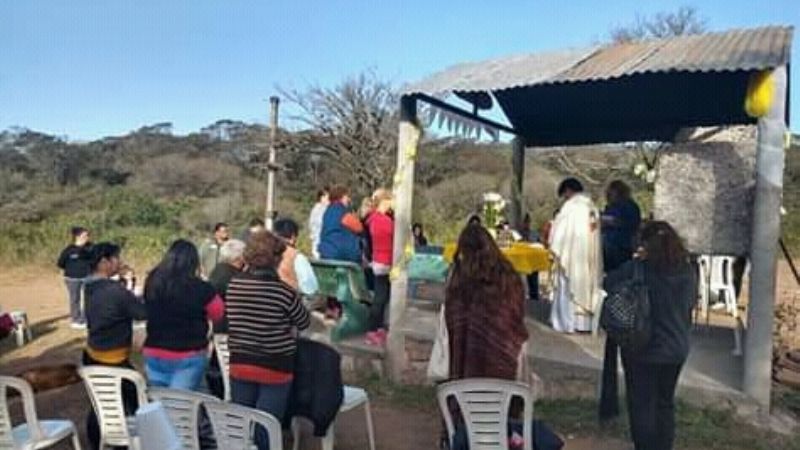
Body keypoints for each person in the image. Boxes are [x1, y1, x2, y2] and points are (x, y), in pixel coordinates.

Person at [604, 221, 696, 450]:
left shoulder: (638, 269)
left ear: (644, 244)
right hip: (676, 348)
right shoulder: (688, 270)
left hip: (641, 347)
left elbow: (608, 282)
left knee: (642, 404)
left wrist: (636, 260)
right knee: (665, 403)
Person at [225, 231, 311, 449]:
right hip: (274, 366)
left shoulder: (234, 285)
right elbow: (303, 322)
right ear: (275, 259)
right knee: (266, 428)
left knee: (242, 426)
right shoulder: (283, 292)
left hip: (240, 362)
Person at [82, 242, 147, 450]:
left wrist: (126, 286)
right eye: (116, 258)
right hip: (114, 360)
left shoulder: (89, 286)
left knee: (102, 402)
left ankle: (98, 441)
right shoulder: (114, 291)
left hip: (93, 354)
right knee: (140, 400)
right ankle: (136, 442)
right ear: (104, 262)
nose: (119, 261)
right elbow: (141, 312)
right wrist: (129, 286)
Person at [143, 240, 225, 391]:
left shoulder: (153, 283)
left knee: (160, 402)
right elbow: (218, 312)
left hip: (154, 350)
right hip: (188, 353)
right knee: (181, 405)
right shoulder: (201, 288)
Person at [549, 178, 603, 334]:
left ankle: (566, 323)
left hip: (571, 255)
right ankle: (583, 324)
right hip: (587, 258)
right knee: (585, 285)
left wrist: (554, 245)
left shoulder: (571, 207)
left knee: (568, 286)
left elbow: (559, 233)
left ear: (568, 191)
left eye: (564, 195)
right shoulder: (591, 207)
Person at [365, 190, 394, 346]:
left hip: (378, 260)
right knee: (380, 298)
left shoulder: (373, 219)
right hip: (384, 261)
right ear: (385, 201)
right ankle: (372, 329)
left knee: (382, 297)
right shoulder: (384, 221)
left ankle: (378, 327)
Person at [207, 239, 247, 333]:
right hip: (228, 326)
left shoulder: (217, 270)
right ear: (239, 257)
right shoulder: (233, 276)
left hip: (219, 324)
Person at [602, 181, 642, 272]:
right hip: (609, 244)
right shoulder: (610, 207)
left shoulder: (629, 206)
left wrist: (613, 222)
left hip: (622, 245)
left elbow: (632, 223)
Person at [57, 226, 92, 329]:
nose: (87, 237)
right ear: (77, 236)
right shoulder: (68, 250)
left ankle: (87, 318)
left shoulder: (91, 247)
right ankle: (76, 320)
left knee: (89, 298)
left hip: (88, 277)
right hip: (72, 279)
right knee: (75, 299)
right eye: (85, 235)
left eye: (88, 235)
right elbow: (61, 263)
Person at [273, 218, 319, 296]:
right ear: (293, 237)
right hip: (289, 301)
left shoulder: (265, 253)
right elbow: (311, 290)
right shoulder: (297, 257)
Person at [318, 185, 363, 264]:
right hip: (342, 256)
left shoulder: (327, 211)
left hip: (326, 253)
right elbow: (359, 227)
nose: (348, 199)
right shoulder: (342, 211)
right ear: (341, 197)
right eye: (347, 196)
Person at [308, 187, 329, 259]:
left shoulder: (328, 209)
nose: (328, 199)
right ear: (321, 197)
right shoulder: (317, 209)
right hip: (318, 242)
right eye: (326, 197)